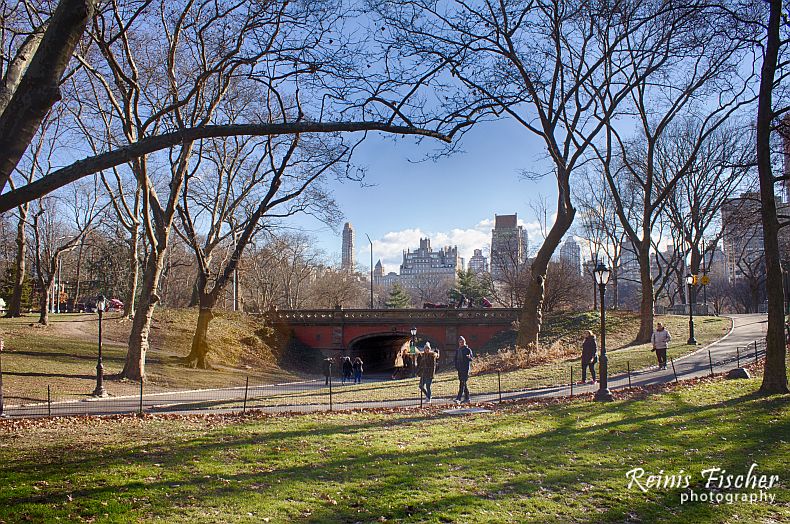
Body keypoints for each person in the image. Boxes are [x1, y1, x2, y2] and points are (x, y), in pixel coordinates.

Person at [454, 336, 473, 403]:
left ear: (465, 342)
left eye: (463, 342)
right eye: (460, 342)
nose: (461, 343)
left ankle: (458, 398)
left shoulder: (468, 349)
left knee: (462, 383)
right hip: (459, 369)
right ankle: (467, 398)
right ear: (459, 343)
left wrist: (469, 357)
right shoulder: (458, 350)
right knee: (464, 383)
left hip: (466, 369)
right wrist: (456, 367)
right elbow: (455, 359)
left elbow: (471, 359)